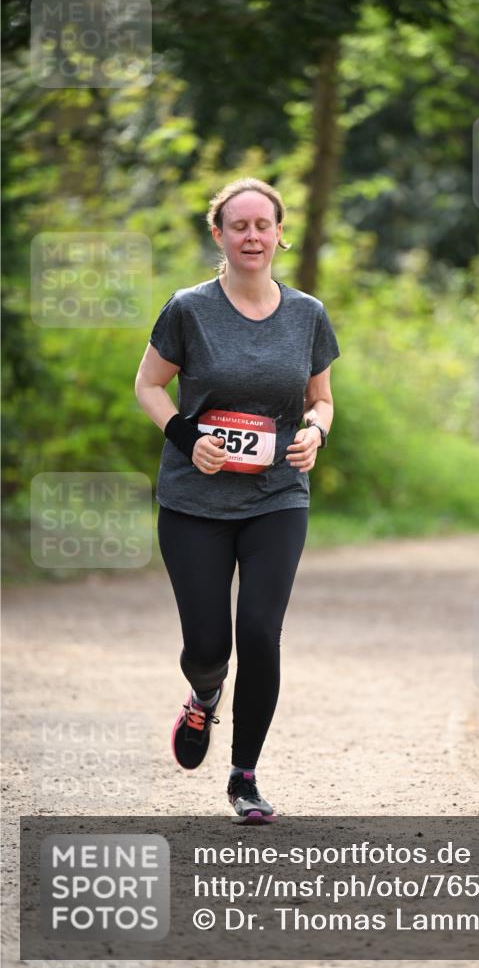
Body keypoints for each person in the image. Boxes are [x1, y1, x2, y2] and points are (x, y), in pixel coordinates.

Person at [134, 177, 340, 823]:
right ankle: (202, 693)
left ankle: (244, 777)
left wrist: (314, 433)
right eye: (238, 225)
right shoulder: (189, 309)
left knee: (259, 632)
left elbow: (322, 398)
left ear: (281, 233)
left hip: (276, 496)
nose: (252, 236)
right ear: (218, 234)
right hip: (193, 500)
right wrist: (187, 436)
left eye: (262, 225)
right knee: (207, 643)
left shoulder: (307, 313)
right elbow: (148, 386)